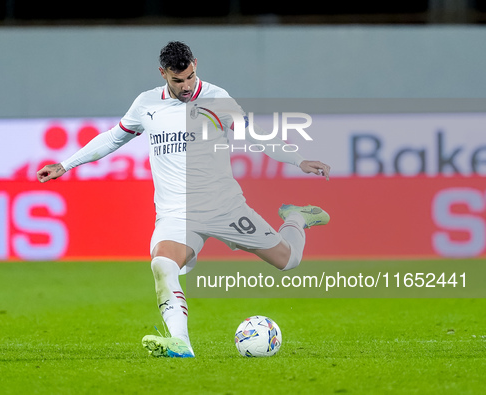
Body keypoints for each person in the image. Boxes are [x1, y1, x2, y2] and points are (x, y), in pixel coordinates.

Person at [37, 41, 331, 358]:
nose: (186, 86)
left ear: (195, 65)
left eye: (190, 77)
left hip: (225, 209)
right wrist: (66, 164)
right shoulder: (146, 104)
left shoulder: (217, 98)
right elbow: (113, 138)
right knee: (163, 265)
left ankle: (297, 218)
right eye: (178, 81)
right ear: (163, 74)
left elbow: (255, 134)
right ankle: (181, 343)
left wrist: (298, 160)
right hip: (176, 215)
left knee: (288, 261)